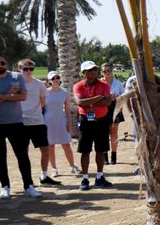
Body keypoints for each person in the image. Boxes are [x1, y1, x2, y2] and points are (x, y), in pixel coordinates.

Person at [0, 52, 41, 198]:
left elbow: (23, 96)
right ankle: (5, 186)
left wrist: (0, 96)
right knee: (0, 157)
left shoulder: (16, 76)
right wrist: (9, 95)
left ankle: (28, 185)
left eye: (2, 63)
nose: (0, 66)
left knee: (22, 155)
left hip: (16, 122)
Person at [73, 60, 114, 190]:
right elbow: (80, 102)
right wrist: (98, 97)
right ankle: (85, 179)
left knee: (101, 150)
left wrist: (91, 101)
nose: (93, 72)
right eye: (90, 70)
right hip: (86, 121)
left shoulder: (104, 84)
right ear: (84, 72)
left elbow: (107, 102)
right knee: (85, 150)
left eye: (94, 69)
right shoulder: (78, 86)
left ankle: (99, 176)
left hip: (102, 120)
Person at [17, 59, 59, 186]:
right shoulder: (15, 83)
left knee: (46, 150)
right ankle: (27, 180)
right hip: (21, 123)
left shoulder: (39, 84)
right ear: (19, 69)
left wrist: (34, 112)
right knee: (23, 153)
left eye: (31, 69)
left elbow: (43, 102)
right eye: (25, 69)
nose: (28, 71)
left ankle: (44, 176)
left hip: (38, 122)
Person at [44, 71, 80, 176]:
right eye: (53, 78)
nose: (55, 80)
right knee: (50, 146)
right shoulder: (44, 92)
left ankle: (72, 166)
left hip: (61, 120)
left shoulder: (64, 93)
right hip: (48, 121)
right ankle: (54, 168)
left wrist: (69, 123)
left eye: (57, 77)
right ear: (49, 81)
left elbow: (68, 109)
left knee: (66, 145)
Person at [101, 63, 125, 165]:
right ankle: (105, 156)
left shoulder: (118, 83)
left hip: (115, 108)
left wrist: (117, 99)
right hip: (103, 108)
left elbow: (123, 96)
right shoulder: (100, 83)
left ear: (112, 71)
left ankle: (114, 156)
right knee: (104, 134)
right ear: (102, 72)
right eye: (104, 71)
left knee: (114, 134)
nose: (107, 73)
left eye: (109, 71)